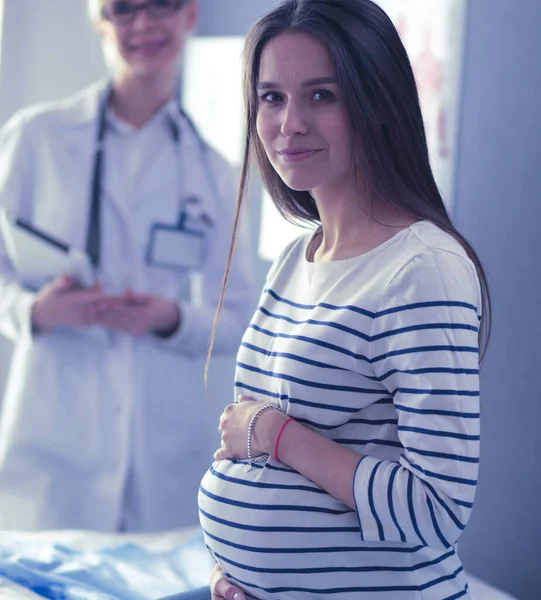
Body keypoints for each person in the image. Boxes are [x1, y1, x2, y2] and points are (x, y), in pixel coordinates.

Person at [179, 0, 491, 598]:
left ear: (374, 103)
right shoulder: (297, 258)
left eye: (321, 95)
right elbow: (253, 467)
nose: (289, 123)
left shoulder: (422, 268)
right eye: (271, 97)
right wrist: (230, 570)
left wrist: (278, 435)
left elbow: (438, 508)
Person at [0, 0, 254, 532]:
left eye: (161, 5)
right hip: (54, 449)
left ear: (190, 14)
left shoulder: (216, 173)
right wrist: (35, 311)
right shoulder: (35, 140)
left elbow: (236, 315)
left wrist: (171, 318)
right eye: (122, 8)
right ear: (97, 20)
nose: (143, 24)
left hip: (164, 455)